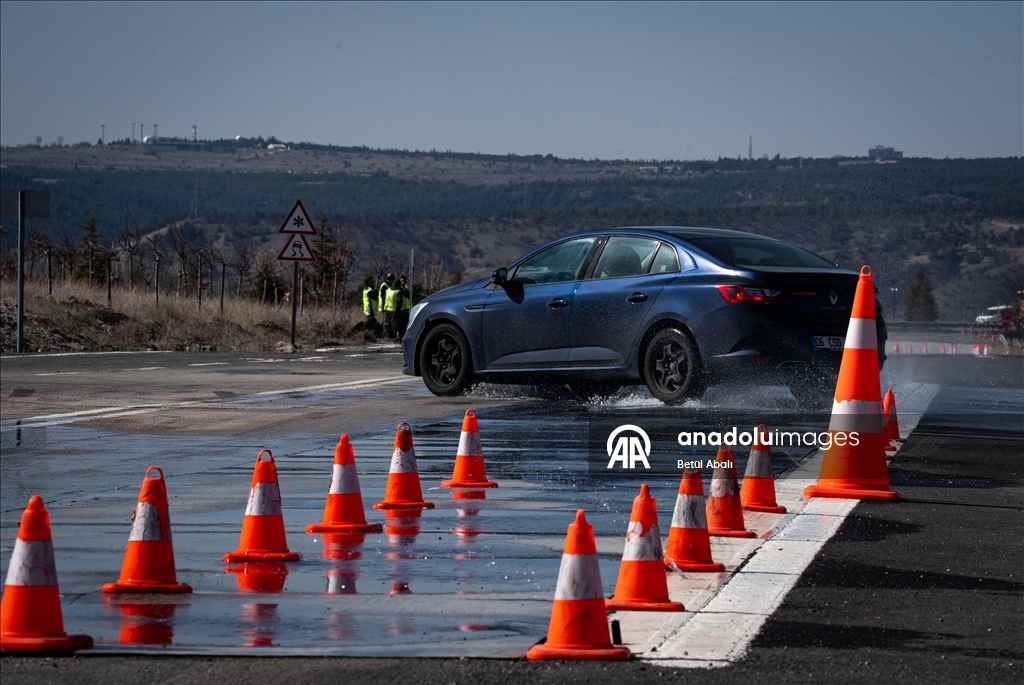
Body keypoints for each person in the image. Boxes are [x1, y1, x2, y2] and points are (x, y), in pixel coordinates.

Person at [379, 273, 398, 338]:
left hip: (390, 307)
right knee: (386, 322)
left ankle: (391, 335)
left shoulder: (390, 285)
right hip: (385, 307)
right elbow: (382, 296)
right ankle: (386, 335)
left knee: (391, 322)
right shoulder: (384, 285)